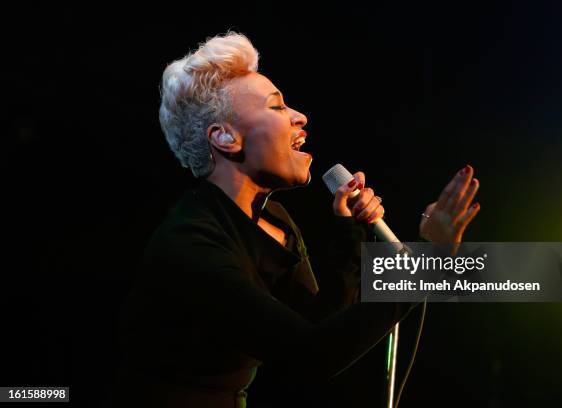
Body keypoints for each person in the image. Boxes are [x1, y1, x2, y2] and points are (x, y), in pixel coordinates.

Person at [112, 31, 481, 408]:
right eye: (277, 107)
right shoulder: (190, 242)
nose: (300, 117)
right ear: (225, 137)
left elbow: (318, 325)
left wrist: (348, 231)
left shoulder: (275, 220)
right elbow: (308, 357)